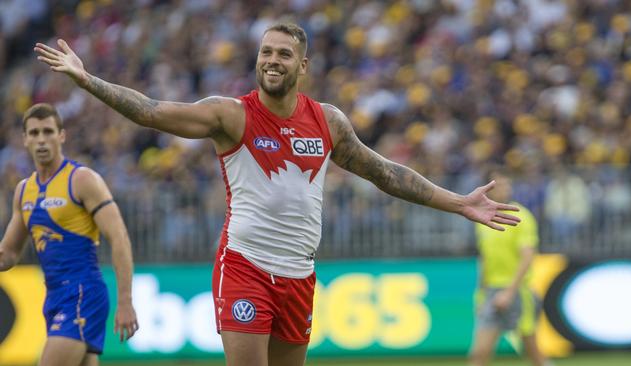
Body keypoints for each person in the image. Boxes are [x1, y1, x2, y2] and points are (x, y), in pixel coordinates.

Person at [35, 23, 520, 366]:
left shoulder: (328, 121)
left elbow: (386, 173)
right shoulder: (231, 115)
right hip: (245, 265)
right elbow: (152, 111)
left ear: (302, 65)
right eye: (266, 52)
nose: (271, 60)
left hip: (299, 276)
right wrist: (87, 79)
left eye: (283, 54)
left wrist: (458, 202)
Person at [0, 103, 138, 366]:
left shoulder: (82, 180)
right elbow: (7, 255)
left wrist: (125, 301)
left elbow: (119, 237)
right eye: (35, 133)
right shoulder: (23, 191)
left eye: (48, 131)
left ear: (61, 135)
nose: (42, 140)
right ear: (24, 139)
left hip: (82, 293)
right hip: (53, 297)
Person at [469, 167, 548, 366]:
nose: (505, 188)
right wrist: (480, 294)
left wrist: (509, 292)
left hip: (517, 292)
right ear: (487, 189)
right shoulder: (482, 219)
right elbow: (484, 259)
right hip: (491, 293)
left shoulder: (521, 215)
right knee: (479, 354)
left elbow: (527, 257)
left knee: (534, 355)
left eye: (507, 183)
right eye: (499, 184)